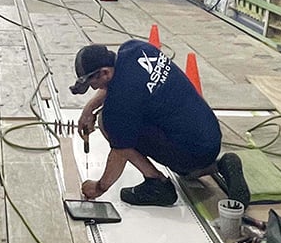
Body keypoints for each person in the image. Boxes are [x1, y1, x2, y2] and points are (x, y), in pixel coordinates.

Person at [72, 41, 250, 207]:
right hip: (210, 135)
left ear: (104, 72)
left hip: (192, 152)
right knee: (186, 173)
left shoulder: (119, 104)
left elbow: (119, 152)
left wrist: (99, 187)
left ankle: (157, 184)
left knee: (109, 124)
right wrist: (89, 109)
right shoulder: (135, 49)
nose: (94, 89)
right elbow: (127, 85)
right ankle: (220, 165)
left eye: (93, 84)